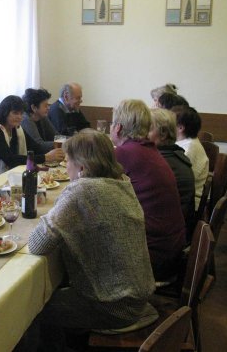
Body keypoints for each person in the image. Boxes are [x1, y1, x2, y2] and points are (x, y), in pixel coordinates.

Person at [28, 129, 157, 349]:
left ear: (82, 167)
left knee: (32, 309)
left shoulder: (82, 190)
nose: (66, 166)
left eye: (68, 161)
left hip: (113, 307)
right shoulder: (122, 182)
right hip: (137, 296)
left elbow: (37, 244)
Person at [111, 100, 186, 280]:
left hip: (151, 257)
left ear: (118, 128)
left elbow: (88, 193)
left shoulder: (123, 154)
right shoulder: (149, 150)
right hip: (171, 249)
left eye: (112, 124)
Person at [0, 95, 64, 181]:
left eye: (21, 113)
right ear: (4, 113)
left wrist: (56, 151)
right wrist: (46, 157)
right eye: (15, 113)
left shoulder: (15, 128)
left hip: (6, 173)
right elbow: (11, 160)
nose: (19, 117)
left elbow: (36, 147)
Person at [149, 108, 196, 240]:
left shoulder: (161, 163)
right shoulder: (173, 155)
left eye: (148, 129)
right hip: (174, 228)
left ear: (163, 135)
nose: (142, 135)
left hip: (167, 237)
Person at [172, 106, 209, 210]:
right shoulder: (185, 143)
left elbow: (178, 183)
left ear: (180, 128)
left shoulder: (189, 148)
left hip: (187, 206)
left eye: (169, 122)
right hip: (183, 199)